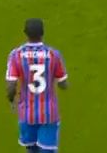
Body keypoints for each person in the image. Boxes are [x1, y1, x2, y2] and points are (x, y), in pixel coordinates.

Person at [5, 18, 67, 152]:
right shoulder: (53, 55)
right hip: (49, 114)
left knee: (32, 150)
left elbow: (11, 86)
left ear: (25, 33)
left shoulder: (16, 55)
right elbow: (63, 83)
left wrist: (11, 100)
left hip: (27, 114)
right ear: (43, 32)